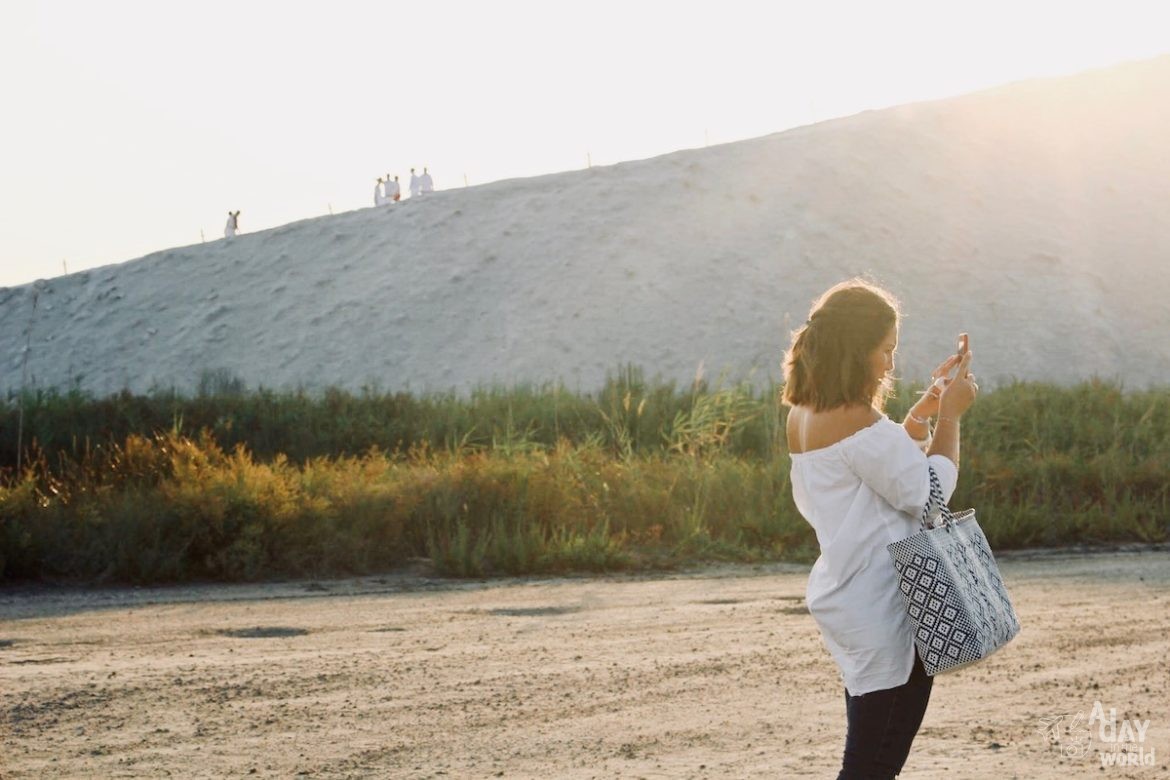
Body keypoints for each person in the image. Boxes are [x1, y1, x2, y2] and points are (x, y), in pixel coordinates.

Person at [781, 279, 978, 780]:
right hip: (889, 608)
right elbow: (930, 495)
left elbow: (877, 474)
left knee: (867, 754)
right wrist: (952, 418)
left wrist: (919, 416)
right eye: (885, 350)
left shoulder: (804, 415)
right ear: (856, 349)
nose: (890, 364)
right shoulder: (856, 418)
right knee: (871, 767)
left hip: (850, 599)